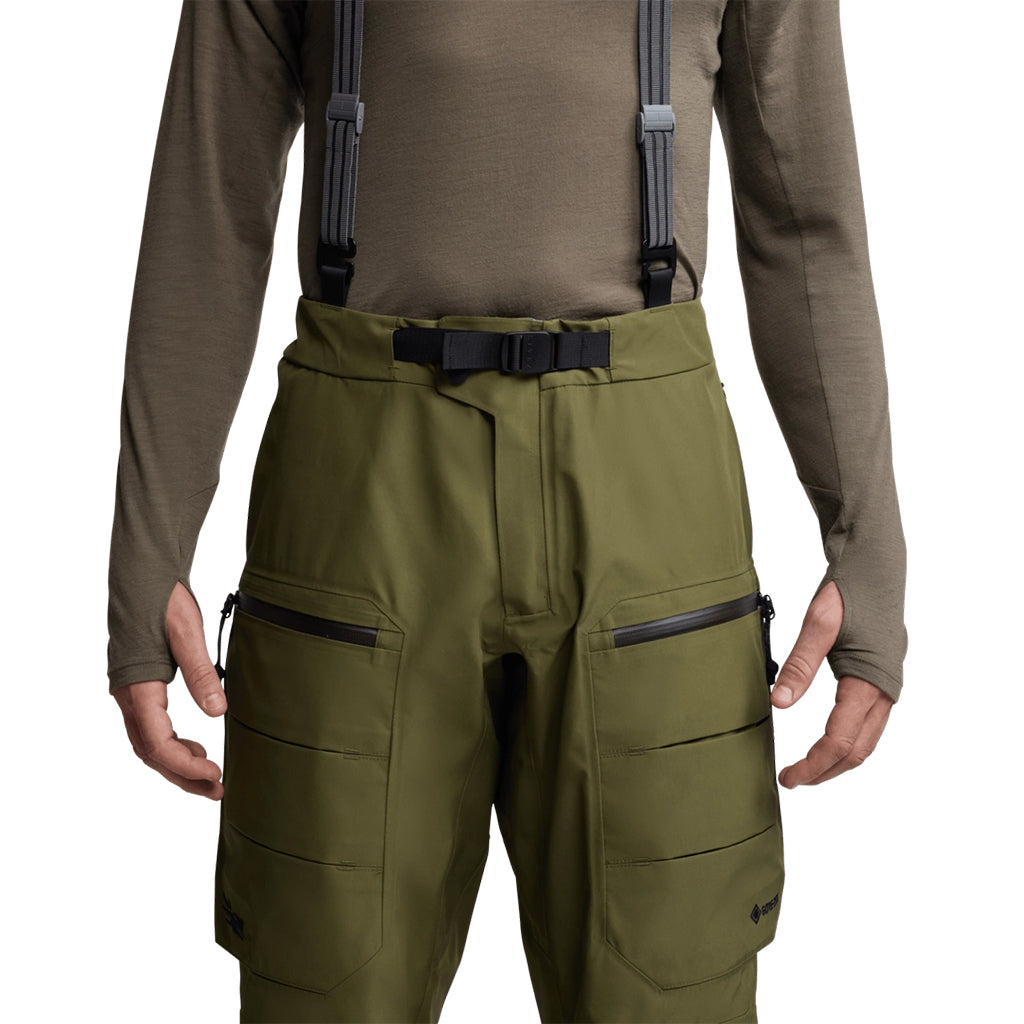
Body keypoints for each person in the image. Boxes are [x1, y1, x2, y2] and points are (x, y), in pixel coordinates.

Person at [107, 2, 908, 1021]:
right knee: (326, 981)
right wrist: (147, 559)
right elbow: (205, 215)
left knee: (667, 988)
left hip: (647, 491)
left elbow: (805, 220)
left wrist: (867, 546)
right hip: (360, 490)